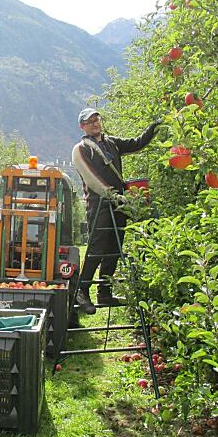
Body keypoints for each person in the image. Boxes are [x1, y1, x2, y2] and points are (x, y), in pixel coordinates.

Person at [71, 108, 161, 314]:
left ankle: (104, 292)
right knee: (97, 248)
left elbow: (137, 143)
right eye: (90, 121)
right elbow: (90, 178)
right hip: (99, 204)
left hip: (119, 203)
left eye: (96, 119)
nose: (95, 123)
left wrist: (153, 128)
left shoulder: (112, 143)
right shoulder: (81, 149)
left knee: (114, 247)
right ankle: (82, 291)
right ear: (82, 126)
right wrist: (111, 194)